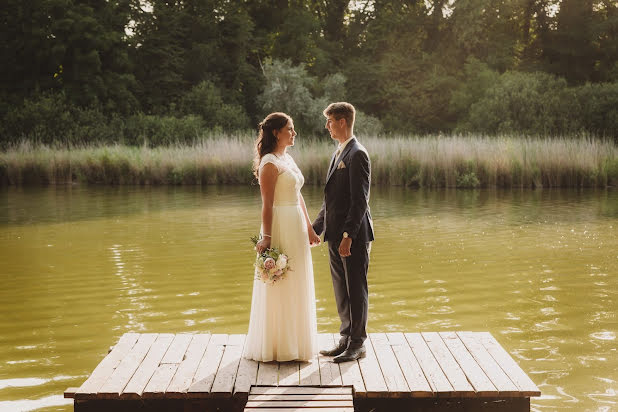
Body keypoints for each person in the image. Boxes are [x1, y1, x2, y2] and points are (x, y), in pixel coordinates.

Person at [243, 112, 321, 362]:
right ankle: (278, 346)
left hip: (296, 225)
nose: (294, 133)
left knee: (297, 281)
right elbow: (267, 205)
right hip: (279, 226)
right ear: (276, 132)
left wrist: (309, 227)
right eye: (290, 129)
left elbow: (298, 195)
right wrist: (266, 238)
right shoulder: (269, 163)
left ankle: (298, 344)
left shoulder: (286, 158)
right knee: (281, 283)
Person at [312, 102, 374, 363]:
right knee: (341, 288)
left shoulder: (357, 154)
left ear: (342, 121)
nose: (327, 126)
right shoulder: (338, 153)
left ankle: (358, 343)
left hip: (354, 236)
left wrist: (348, 236)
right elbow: (331, 201)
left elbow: (360, 200)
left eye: (330, 122)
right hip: (334, 236)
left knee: (355, 288)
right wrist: (315, 229)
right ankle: (346, 337)